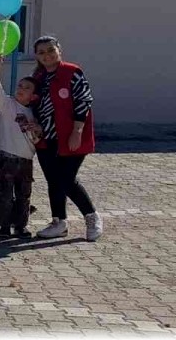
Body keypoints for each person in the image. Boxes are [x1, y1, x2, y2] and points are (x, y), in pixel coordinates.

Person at [31, 36, 102, 242]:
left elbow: (83, 100)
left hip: (70, 137)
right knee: (53, 180)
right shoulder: (38, 76)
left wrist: (76, 132)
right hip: (46, 138)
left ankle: (92, 217)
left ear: (59, 50)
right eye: (41, 52)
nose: (47, 55)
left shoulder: (72, 72)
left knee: (66, 178)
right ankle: (58, 222)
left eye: (50, 50)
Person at [0, 54, 40, 238]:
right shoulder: (7, 104)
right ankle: (4, 226)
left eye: (27, 88)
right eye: (20, 85)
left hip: (26, 161)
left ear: (33, 96)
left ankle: (20, 226)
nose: (21, 89)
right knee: (5, 195)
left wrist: (37, 130)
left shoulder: (34, 114)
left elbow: (37, 139)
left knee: (23, 195)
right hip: (7, 158)